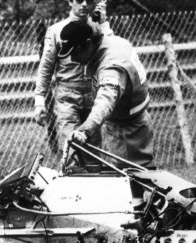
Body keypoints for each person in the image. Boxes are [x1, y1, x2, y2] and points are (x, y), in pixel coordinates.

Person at [58, 21, 154, 168]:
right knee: (136, 173)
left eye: (75, 52)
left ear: (88, 43)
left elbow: (105, 102)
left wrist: (84, 131)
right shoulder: (114, 42)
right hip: (127, 121)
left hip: (128, 131)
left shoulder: (111, 67)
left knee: (133, 177)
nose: (73, 59)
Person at [33, 0, 113, 164]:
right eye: (78, 0)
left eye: (88, 0)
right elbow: (46, 67)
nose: (84, 4)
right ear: (70, 2)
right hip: (67, 98)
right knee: (69, 153)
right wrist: (39, 100)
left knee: (94, 155)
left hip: (93, 96)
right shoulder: (56, 31)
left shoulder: (98, 28)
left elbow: (111, 52)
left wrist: (104, 22)